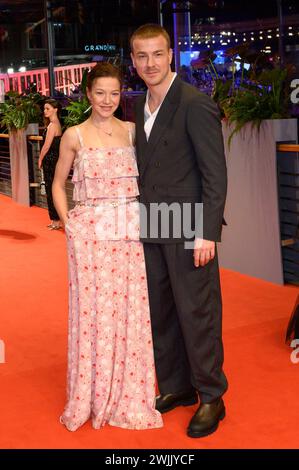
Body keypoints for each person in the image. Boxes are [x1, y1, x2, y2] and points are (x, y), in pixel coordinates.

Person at [52, 62, 162, 432]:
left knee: (131, 313)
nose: (107, 100)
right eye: (100, 93)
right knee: (94, 315)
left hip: (129, 234)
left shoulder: (133, 133)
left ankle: (130, 392)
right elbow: (57, 185)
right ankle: (93, 393)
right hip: (91, 238)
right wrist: (71, 226)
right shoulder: (74, 135)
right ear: (88, 94)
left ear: (121, 95)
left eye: (114, 93)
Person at [130, 24, 228, 438]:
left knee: (197, 314)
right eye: (141, 56)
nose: (150, 63)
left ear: (171, 54)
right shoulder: (138, 106)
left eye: (157, 54)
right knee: (163, 313)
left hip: (189, 228)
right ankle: (177, 386)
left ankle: (211, 396)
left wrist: (207, 232)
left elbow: (215, 174)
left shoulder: (194, 103)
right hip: (152, 225)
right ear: (133, 61)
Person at [38, 99, 62, 230]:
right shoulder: (55, 124)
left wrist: (40, 158)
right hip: (54, 160)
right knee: (52, 190)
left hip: (50, 161)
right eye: (44, 109)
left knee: (51, 190)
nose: (45, 111)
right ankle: (55, 220)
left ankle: (56, 221)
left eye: (48, 108)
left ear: (55, 109)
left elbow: (47, 146)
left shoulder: (53, 125)